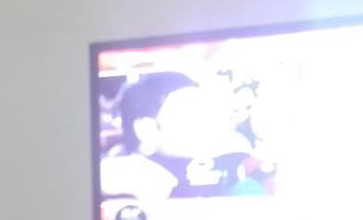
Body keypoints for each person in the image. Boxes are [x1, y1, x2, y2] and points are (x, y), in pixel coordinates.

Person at [100, 71, 257, 201]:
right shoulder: (119, 177)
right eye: (190, 111)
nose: (208, 120)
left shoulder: (226, 162)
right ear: (146, 130)